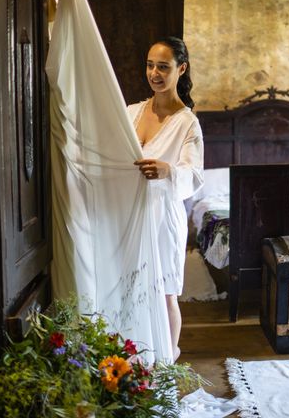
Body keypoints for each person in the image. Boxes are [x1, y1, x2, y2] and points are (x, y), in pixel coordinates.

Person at [126, 36, 204, 362]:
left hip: (163, 217)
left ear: (181, 69)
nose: (154, 73)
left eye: (163, 67)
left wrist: (167, 171)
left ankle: (167, 365)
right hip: (129, 213)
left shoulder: (187, 123)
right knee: (130, 289)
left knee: (165, 293)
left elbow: (195, 176)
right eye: (150, 65)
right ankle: (133, 363)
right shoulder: (130, 112)